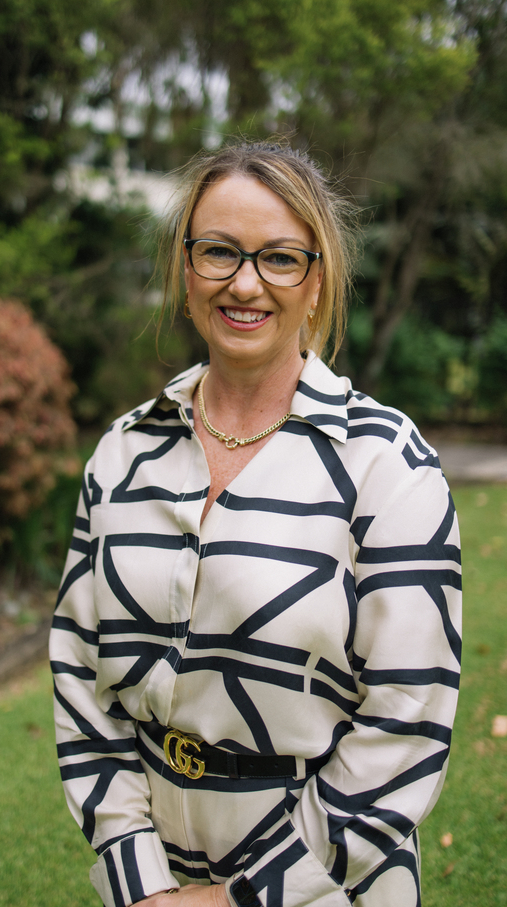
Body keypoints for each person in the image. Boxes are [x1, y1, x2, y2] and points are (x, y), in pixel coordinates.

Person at [50, 141, 462, 907]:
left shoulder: (388, 466)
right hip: (150, 873)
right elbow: (80, 679)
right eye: (219, 252)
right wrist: (139, 881)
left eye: (279, 258)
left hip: (326, 882)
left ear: (318, 283)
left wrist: (233, 899)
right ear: (185, 270)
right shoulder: (123, 453)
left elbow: (407, 723)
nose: (245, 282)